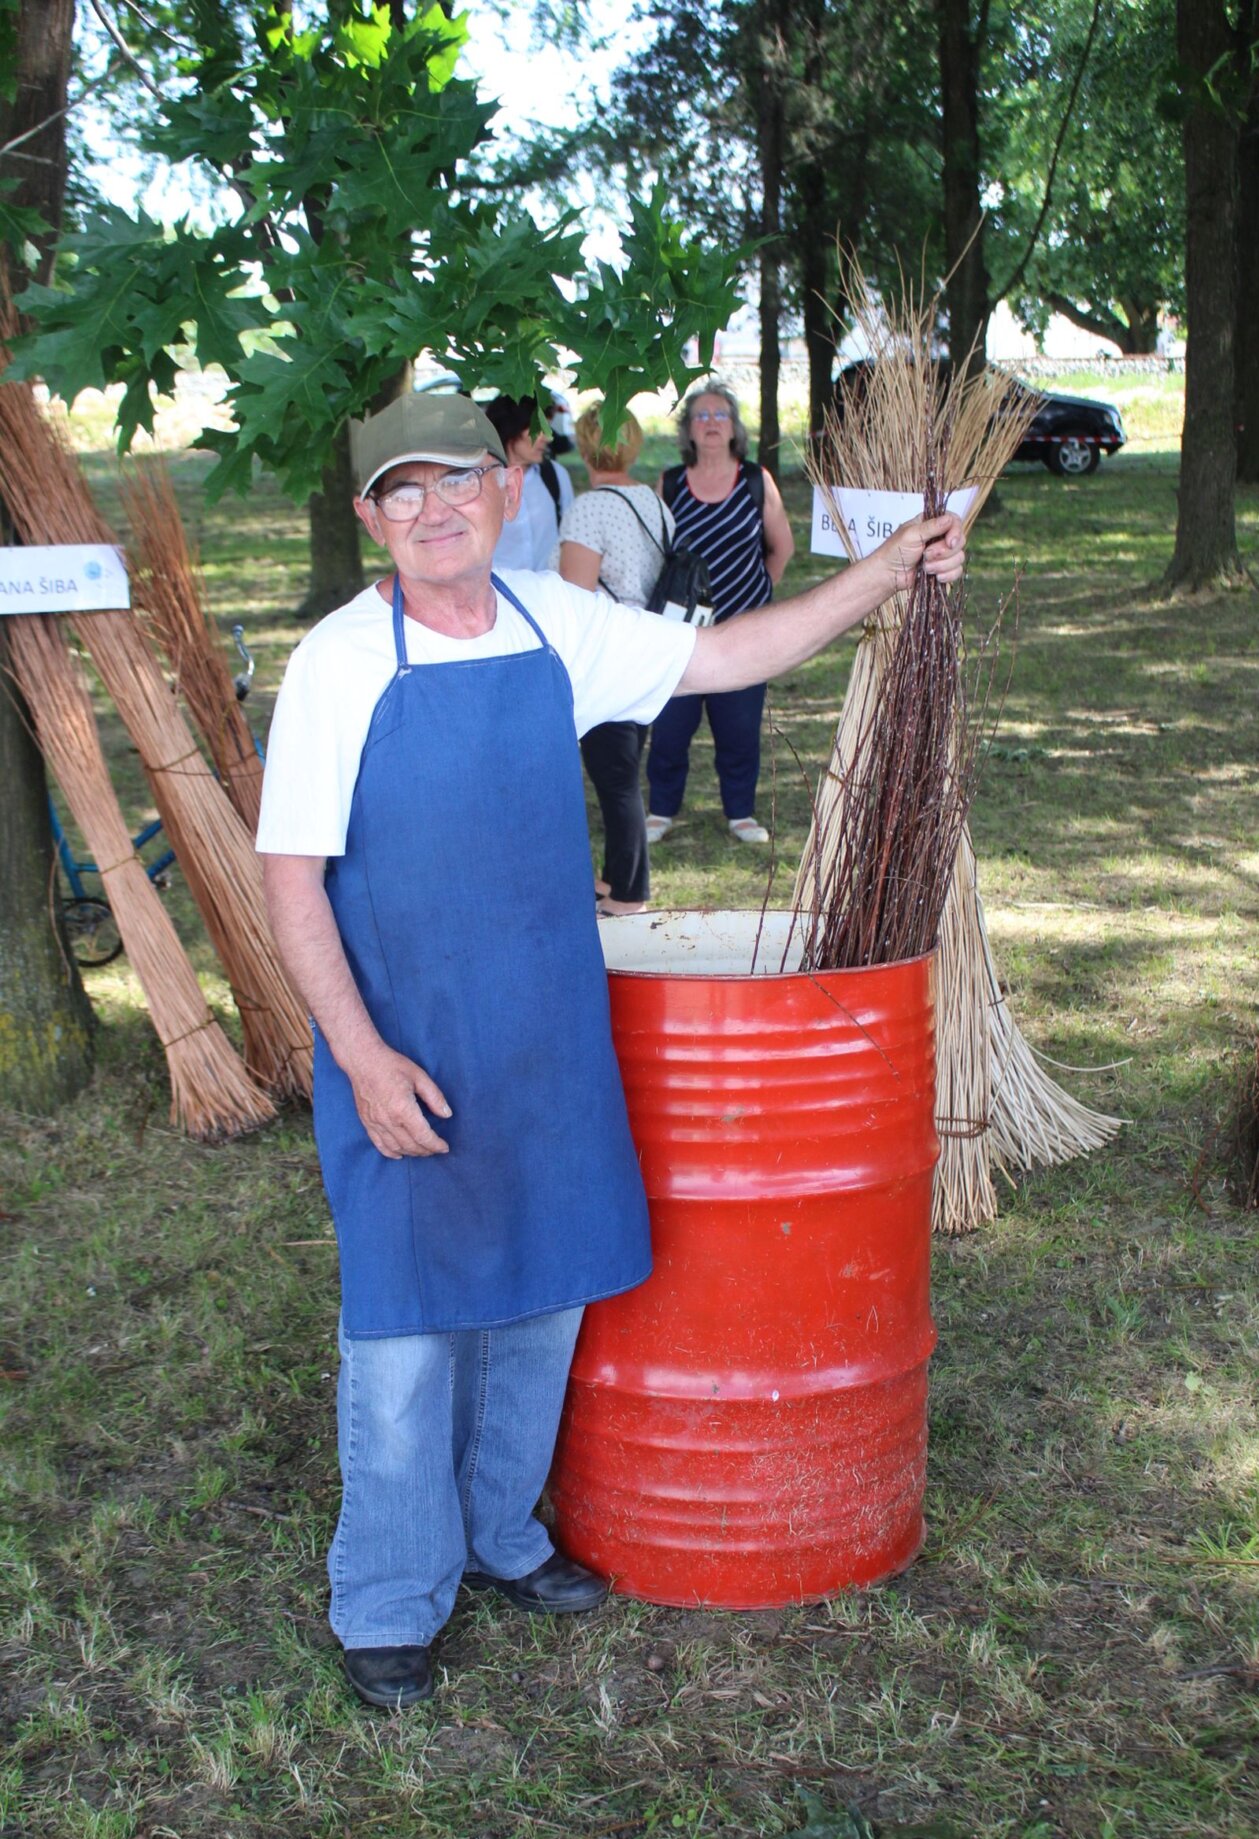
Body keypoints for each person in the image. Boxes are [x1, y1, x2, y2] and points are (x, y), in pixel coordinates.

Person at [257, 388, 965, 1711]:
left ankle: (501, 1531)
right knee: (408, 1329)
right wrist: (357, 1055)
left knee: (541, 1295)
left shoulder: (553, 623)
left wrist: (881, 573)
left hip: (545, 1037)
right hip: (405, 1044)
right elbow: (290, 879)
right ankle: (391, 1596)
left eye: (453, 482)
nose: (433, 511)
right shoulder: (340, 663)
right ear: (369, 518)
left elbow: (728, 659)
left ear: (502, 488)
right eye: (399, 493)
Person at [645, 380, 796, 846]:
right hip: (682, 634)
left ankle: (741, 813)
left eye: (720, 416)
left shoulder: (755, 480)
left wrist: (756, 596)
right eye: (701, 416)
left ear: (734, 429)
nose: (710, 424)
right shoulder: (670, 483)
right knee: (669, 729)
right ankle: (661, 810)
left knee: (739, 728)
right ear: (688, 430)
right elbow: (655, 552)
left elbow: (782, 548)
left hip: (743, 635)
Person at [557, 403, 675, 917]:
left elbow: (574, 595)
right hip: (647, 647)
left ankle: (628, 893)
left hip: (604, 654)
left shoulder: (590, 507)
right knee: (624, 770)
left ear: (586, 445)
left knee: (616, 777)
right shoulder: (654, 502)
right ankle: (620, 879)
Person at [484, 393, 574, 571]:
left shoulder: (555, 475)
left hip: (548, 594)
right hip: (499, 595)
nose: (547, 438)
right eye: (538, 429)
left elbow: (571, 538)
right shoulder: (480, 481)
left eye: (547, 429)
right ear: (512, 429)